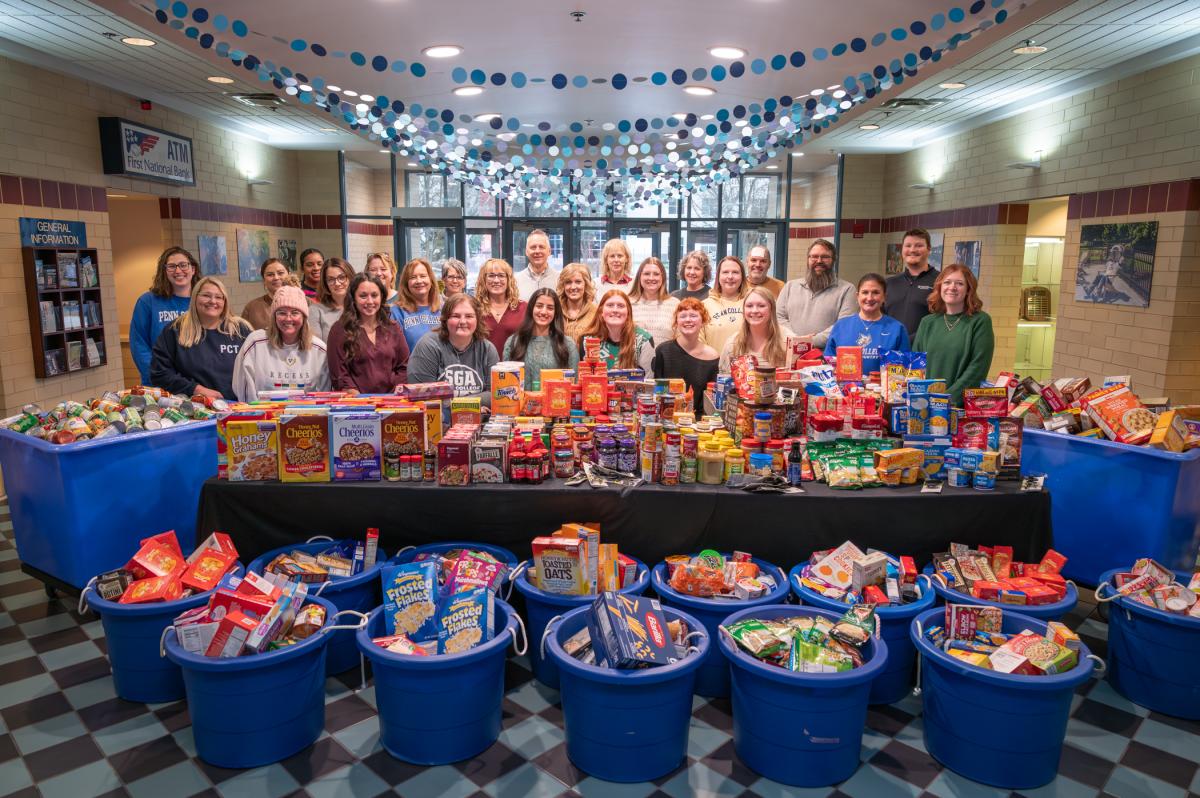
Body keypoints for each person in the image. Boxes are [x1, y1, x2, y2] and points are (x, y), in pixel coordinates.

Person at [150, 277, 251, 401]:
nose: (213, 301)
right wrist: (195, 389)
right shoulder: (175, 330)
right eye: (206, 295)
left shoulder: (241, 329)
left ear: (225, 301)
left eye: (219, 297)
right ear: (195, 298)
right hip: (195, 409)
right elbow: (160, 374)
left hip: (238, 407)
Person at [913, 263, 995, 405]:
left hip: (958, 407)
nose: (952, 287)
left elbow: (977, 368)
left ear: (969, 289)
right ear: (940, 287)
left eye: (959, 283)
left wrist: (946, 399)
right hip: (925, 405)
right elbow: (916, 367)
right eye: (947, 282)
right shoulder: (927, 322)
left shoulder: (980, 321)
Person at [232, 285, 330, 401]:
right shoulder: (255, 343)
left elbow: (324, 396)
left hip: (305, 416)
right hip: (263, 417)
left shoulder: (319, 350)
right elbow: (242, 388)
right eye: (282, 313)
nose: (288, 319)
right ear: (274, 317)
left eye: (295, 313)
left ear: (304, 317)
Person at [407, 293, 499, 404]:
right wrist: (471, 406)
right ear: (445, 319)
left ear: (477, 319)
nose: (463, 322)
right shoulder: (428, 346)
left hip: (479, 420)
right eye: (455, 316)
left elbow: (495, 394)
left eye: (469, 316)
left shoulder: (487, 349)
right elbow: (422, 396)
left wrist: (461, 405)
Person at [326, 274, 410, 394]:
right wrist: (361, 401)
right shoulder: (339, 330)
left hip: (392, 402)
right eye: (363, 296)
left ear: (382, 297)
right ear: (353, 298)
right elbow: (340, 375)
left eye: (374, 295)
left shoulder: (393, 327)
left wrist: (394, 395)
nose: (370, 301)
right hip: (356, 405)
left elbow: (404, 366)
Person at [130, 246, 198, 385]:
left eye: (183, 265)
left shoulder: (203, 302)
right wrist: (157, 375)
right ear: (164, 271)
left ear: (193, 269)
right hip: (159, 383)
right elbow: (139, 345)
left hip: (197, 383)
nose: (178, 271)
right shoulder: (148, 302)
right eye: (172, 266)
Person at [825, 273, 911, 377]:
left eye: (875, 292)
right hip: (846, 391)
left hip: (883, 391)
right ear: (857, 296)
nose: (869, 298)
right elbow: (829, 364)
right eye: (865, 292)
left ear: (884, 297)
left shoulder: (897, 329)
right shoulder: (841, 326)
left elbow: (904, 369)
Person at [776, 239, 856, 348]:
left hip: (827, 359)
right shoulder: (790, 286)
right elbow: (778, 318)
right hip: (790, 354)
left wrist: (808, 342)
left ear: (834, 260)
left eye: (825, 257)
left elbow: (843, 326)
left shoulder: (847, 290)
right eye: (814, 256)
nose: (819, 261)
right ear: (807, 259)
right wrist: (796, 339)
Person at [502, 288, 580, 389]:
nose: (544, 312)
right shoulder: (513, 342)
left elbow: (574, 385)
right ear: (531, 308)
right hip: (520, 404)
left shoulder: (568, 345)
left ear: (556, 313)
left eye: (550, 308)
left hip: (556, 403)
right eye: (539, 306)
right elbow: (505, 383)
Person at [652, 298, 719, 416]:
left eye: (693, 315)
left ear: (703, 321)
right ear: (676, 322)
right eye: (683, 316)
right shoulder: (663, 351)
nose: (688, 320)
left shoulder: (712, 357)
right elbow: (656, 393)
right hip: (666, 420)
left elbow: (710, 402)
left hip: (699, 425)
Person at [719, 287, 795, 372]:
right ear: (744, 310)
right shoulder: (732, 344)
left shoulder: (789, 341)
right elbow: (723, 380)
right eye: (749, 306)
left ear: (772, 309)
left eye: (761, 306)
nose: (754, 310)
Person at [580, 290, 654, 374]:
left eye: (620, 306)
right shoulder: (588, 340)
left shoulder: (644, 340)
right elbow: (584, 379)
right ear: (601, 312)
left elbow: (648, 382)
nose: (615, 310)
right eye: (610, 305)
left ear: (628, 313)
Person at [884, 228, 939, 337]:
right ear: (902, 250)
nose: (912, 250)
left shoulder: (941, 282)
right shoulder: (889, 283)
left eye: (919, 246)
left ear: (929, 249)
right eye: (908, 246)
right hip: (891, 349)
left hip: (923, 350)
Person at [390, 258, 444, 351]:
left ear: (431, 280)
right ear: (406, 283)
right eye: (413, 277)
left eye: (423, 276)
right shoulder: (397, 312)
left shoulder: (443, 308)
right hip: (411, 365)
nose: (419, 281)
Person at [476, 258, 526, 355]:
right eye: (491, 276)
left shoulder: (523, 308)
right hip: (482, 366)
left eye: (501, 275)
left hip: (515, 366)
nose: (496, 280)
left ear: (509, 279)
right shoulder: (474, 308)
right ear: (483, 279)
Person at [702, 255, 750, 355]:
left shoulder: (751, 304)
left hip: (745, 368)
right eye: (725, 272)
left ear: (742, 277)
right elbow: (699, 343)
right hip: (713, 367)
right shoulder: (704, 306)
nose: (730, 276)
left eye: (735, 272)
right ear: (718, 276)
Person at [628, 257, 680, 345]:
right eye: (647, 274)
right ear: (639, 277)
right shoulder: (627, 303)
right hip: (634, 358)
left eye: (656, 274)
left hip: (666, 358)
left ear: (662, 277)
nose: (651, 278)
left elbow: (680, 339)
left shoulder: (675, 304)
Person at [309, 257, 354, 341]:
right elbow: (317, 349)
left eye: (342, 277)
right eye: (331, 279)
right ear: (325, 283)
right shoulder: (315, 311)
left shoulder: (359, 307)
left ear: (350, 277)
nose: (337, 283)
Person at [241, 258, 292, 331]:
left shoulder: (306, 302)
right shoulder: (251, 308)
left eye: (280, 273)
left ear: (289, 275)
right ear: (263, 279)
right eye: (270, 275)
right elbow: (243, 338)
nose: (276, 278)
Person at [514, 229, 560, 300]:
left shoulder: (560, 279)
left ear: (549, 251)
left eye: (541, 247)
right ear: (526, 252)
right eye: (533, 247)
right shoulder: (515, 281)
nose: (537, 251)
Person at [558, 262, 598, 341]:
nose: (573, 287)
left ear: (586, 284)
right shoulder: (555, 311)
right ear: (563, 285)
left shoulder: (596, 312)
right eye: (568, 282)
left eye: (578, 282)